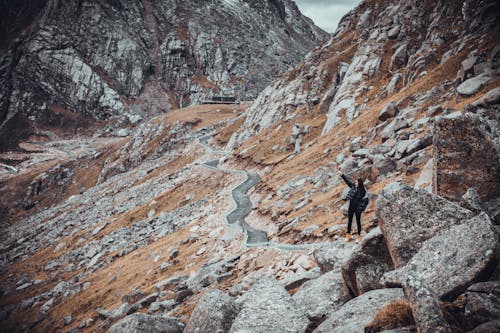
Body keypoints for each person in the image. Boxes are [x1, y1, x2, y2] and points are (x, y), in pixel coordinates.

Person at [341, 174, 368, 243]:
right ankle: (348, 235)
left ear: (359, 183)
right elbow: (348, 182)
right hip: (351, 207)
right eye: (355, 182)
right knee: (349, 221)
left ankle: (358, 236)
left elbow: (358, 199)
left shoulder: (362, 191)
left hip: (357, 208)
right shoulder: (353, 187)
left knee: (358, 221)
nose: (355, 183)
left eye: (356, 182)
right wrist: (343, 175)